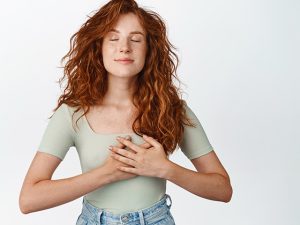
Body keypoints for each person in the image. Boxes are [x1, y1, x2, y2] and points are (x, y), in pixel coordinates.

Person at [19, 0, 233, 224]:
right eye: (113, 38)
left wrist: (166, 169)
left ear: (149, 49)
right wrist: (107, 173)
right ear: (98, 47)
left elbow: (222, 189)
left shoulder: (173, 109)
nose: (124, 47)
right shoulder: (72, 113)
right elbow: (29, 199)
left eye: (136, 39)